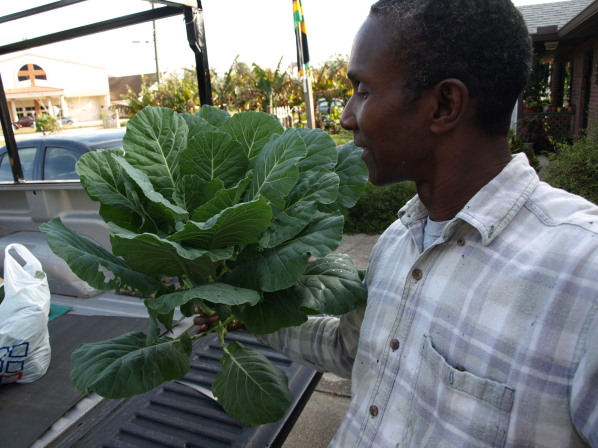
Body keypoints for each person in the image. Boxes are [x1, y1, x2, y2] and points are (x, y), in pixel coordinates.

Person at [196, 1, 598, 446]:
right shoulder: (398, 240)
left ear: (444, 104)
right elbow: (352, 350)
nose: (347, 116)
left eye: (363, 91)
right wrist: (247, 316)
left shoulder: (583, 272)